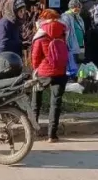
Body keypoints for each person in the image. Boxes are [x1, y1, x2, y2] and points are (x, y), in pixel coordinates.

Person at [29, 10, 70, 142]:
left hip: (43, 72)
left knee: (36, 102)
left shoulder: (40, 35)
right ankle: (52, 134)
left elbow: (35, 57)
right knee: (56, 103)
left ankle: (33, 131)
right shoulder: (63, 32)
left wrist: (35, 69)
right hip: (60, 71)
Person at [62, 0, 85, 64]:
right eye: (76, 7)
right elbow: (66, 30)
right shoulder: (66, 16)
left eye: (79, 7)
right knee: (72, 61)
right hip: (71, 43)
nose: (78, 9)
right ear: (72, 7)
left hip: (77, 43)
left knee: (75, 60)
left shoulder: (76, 15)